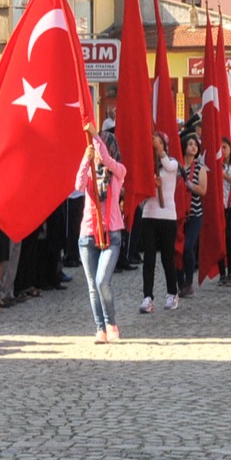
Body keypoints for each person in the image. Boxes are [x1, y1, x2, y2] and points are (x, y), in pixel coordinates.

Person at [77, 132, 127, 342]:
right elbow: (78, 186)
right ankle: (100, 328)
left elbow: (107, 161)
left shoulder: (118, 171)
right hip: (88, 233)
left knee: (102, 281)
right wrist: (84, 161)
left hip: (111, 232)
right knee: (92, 285)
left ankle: (111, 322)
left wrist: (94, 137)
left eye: (102, 147)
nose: (98, 152)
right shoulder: (89, 173)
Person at [138, 131, 180, 314]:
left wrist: (160, 149)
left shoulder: (172, 163)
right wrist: (149, 189)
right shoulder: (147, 168)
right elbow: (140, 196)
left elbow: (169, 167)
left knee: (167, 258)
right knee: (148, 258)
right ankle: (147, 297)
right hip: (149, 215)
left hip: (168, 216)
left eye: (160, 143)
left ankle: (172, 292)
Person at [177, 133, 207, 296]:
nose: (193, 147)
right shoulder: (177, 166)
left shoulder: (200, 169)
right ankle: (179, 283)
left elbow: (203, 190)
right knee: (177, 249)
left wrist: (188, 183)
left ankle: (189, 282)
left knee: (188, 246)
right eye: (190, 144)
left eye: (195, 145)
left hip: (195, 214)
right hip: (178, 214)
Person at [217, 137, 231, 286]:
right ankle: (222, 272)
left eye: (225, 147)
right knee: (220, 239)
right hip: (220, 205)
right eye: (221, 148)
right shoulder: (216, 165)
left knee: (227, 236)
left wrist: (225, 176)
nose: (223, 150)